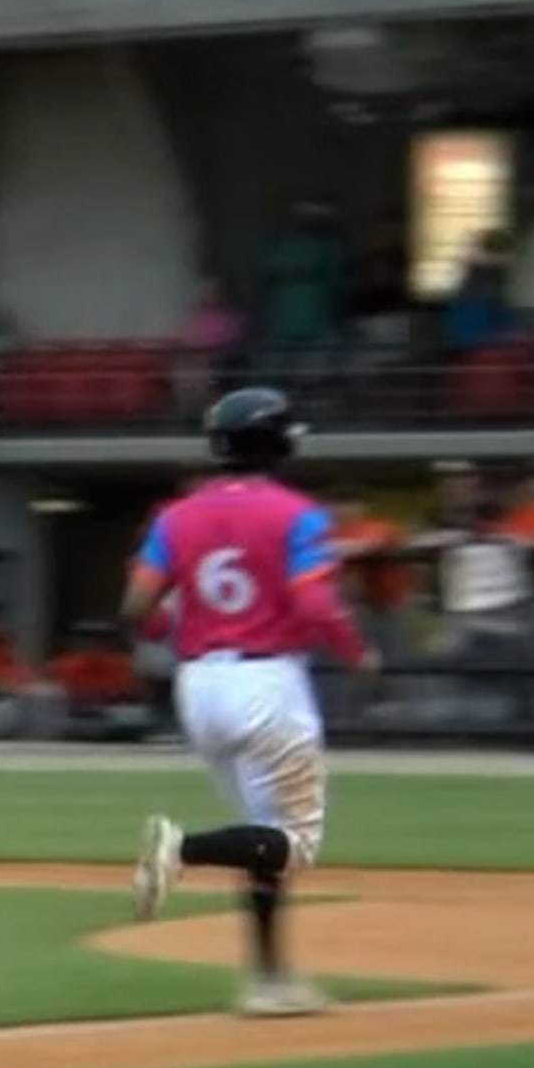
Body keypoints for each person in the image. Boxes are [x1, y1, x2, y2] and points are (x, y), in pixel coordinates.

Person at [122, 387, 376, 1018]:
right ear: (274, 442)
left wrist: (176, 633)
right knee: (295, 839)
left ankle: (269, 981)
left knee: (265, 839)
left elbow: (134, 609)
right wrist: (357, 655)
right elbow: (316, 605)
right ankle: (180, 849)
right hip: (268, 684)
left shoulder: (175, 518)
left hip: (198, 686)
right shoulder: (298, 515)